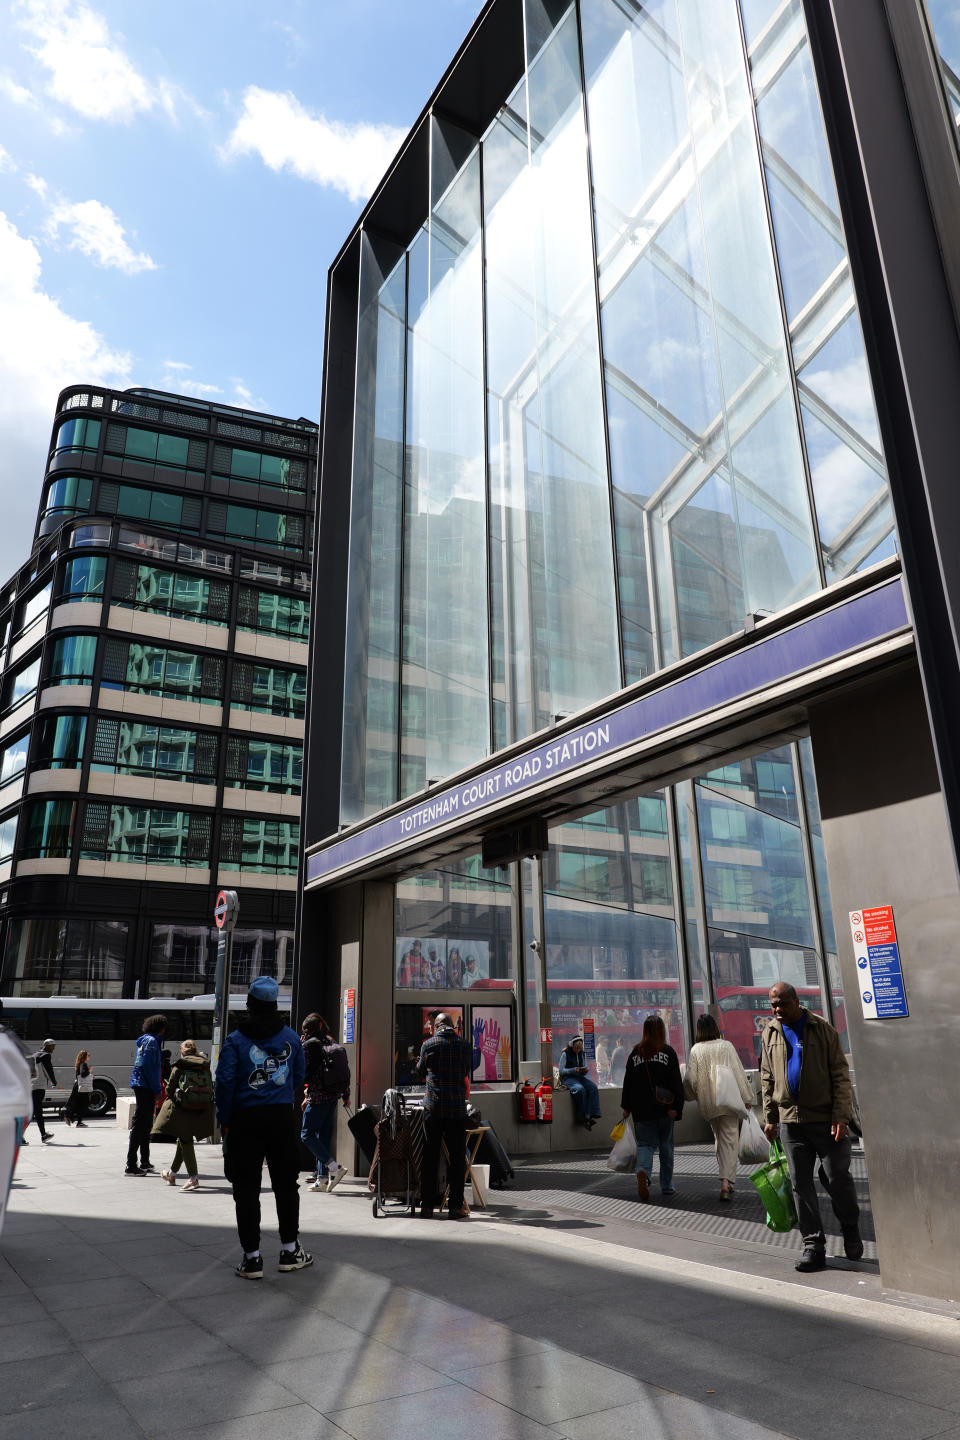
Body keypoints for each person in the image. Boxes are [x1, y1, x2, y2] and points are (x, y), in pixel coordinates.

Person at [760, 981, 863, 1272]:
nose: (777, 1009)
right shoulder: (769, 1032)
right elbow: (766, 1077)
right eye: (773, 1005)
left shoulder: (822, 1028)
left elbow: (841, 1076)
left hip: (826, 1120)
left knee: (837, 1178)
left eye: (781, 1003)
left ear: (796, 1001)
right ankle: (813, 1245)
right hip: (791, 1123)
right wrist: (770, 1117)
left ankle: (850, 1227)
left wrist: (841, 1117)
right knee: (800, 1184)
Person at [215, 976, 311, 1279]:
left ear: (250, 1006)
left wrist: (226, 1121)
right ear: (275, 1006)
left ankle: (252, 1258)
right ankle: (289, 1249)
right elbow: (298, 1078)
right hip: (281, 1118)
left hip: (245, 1120)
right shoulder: (292, 1038)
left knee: (245, 1188)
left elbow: (224, 1084)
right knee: (286, 1185)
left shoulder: (235, 1041)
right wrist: (280, 1095)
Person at [683, 1014, 754, 1201]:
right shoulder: (726, 1046)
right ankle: (727, 1182)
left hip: (709, 1103)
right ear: (715, 1028)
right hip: (729, 1100)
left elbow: (691, 1078)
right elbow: (738, 1072)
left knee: (719, 1138)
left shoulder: (696, 1049)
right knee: (730, 1141)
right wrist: (747, 1097)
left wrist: (691, 1095)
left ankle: (725, 1179)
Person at [416, 1010, 472, 1220]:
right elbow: (465, 1071)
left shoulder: (428, 1045)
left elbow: (421, 1072)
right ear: (451, 1026)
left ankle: (427, 1207)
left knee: (429, 1157)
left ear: (437, 1026)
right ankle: (455, 1207)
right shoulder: (465, 1046)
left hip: (433, 1108)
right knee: (457, 1159)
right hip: (456, 1110)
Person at [620, 1014, 684, 1201]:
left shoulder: (635, 1053)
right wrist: (677, 1109)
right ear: (662, 1031)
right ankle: (667, 1186)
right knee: (666, 1147)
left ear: (645, 1031)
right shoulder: (669, 1053)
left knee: (645, 1145)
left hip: (641, 1111)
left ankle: (643, 1172)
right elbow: (676, 1084)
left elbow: (628, 1083)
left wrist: (626, 1107)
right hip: (665, 1109)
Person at [153, 1039, 215, 1190]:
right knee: (183, 1140)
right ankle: (171, 1174)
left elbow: (169, 1089)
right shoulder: (205, 1065)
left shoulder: (180, 1065)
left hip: (183, 1108)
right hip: (201, 1108)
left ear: (182, 1051)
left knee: (186, 1141)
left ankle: (193, 1178)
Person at [300, 1012, 350, 1193]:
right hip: (333, 1097)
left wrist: (300, 1044)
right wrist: (346, 1095)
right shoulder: (330, 1042)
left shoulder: (308, 1045)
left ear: (306, 1030)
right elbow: (342, 1070)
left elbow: (300, 1068)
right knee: (323, 1137)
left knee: (307, 1135)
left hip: (318, 1097)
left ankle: (335, 1169)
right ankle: (322, 1180)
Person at [126, 1015, 167, 1176]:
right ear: (160, 1027)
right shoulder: (151, 1042)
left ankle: (144, 1161)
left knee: (145, 1124)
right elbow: (150, 1068)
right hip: (145, 1086)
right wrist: (157, 1089)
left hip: (141, 1084)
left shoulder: (146, 1041)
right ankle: (131, 1165)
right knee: (140, 1125)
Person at [558, 1036, 602, 1129]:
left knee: (593, 1087)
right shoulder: (565, 1054)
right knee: (580, 1089)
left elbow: (585, 1065)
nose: (578, 1050)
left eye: (580, 1048)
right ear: (571, 1045)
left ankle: (590, 1114)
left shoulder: (582, 1053)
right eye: (576, 1048)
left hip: (580, 1077)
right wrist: (574, 1070)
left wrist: (585, 1070)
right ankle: (582, 1116)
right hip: (568, 1079)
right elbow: (561, 1070)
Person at [27, 1039, 56, 1144]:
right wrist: (54, 1081)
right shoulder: (46, 1055)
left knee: (35, 1112)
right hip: (39, 1087)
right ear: (46, 1046)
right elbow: (49, 1069)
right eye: (52, 1046)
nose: (53, 1048)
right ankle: (19, 1136)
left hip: (31, 1086)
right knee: (36, 1112)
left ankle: (43, 1135)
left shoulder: (35, 1055)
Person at [64, 1049, 93, 1127]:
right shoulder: (83, 1064)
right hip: (81, 1087)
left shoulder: (79, 1063)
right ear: (84, 1056)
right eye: (88, 1055)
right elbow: (83, 1074)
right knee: (84, 1103)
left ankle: (71, 1116)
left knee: (79, 1103)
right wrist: (89, 1071)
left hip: (78, 1086)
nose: (89, 1057)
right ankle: (70, 1116)